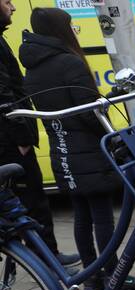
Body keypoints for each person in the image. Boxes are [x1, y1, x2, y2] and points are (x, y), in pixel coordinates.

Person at [20, 8, 135, 290]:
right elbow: (90, 114)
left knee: (82, 214)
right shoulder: (70, 62)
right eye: (71, 26)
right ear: (60, 30)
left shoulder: (33, 67)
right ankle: (114, 275)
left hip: (61, 150)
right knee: (102, 215)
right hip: (88, 150)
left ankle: (92, 276)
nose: (74, 30)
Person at [0, 0, 77, 267]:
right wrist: (21, 137)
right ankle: (46, 258)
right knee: (32, 201)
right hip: (10, 138)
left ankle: (39, 255)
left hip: (10, 135)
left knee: (23, 202)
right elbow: (5, 94)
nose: (13, 7)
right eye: (7, 1)